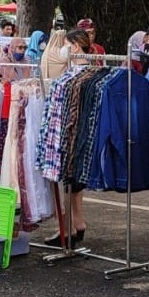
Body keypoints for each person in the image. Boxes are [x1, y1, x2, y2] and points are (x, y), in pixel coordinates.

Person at [44, 28, 94, 247]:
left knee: (68, 182)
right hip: (85, 135)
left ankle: (68, 227)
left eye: (65, 45)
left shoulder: (70, 78)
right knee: (76, 185)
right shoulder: (94, 71)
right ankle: (78, 223)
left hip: (70, 136)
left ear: (74, 47)